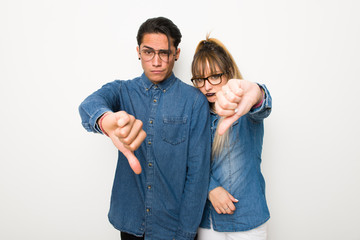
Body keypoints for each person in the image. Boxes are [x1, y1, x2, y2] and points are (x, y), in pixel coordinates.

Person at [78, 17, 211, 240]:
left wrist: (186, 233)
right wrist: (106, 120)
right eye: (149, 52)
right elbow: (88, 106)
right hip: (130, 222)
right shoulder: (122, 91)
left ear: (176, 54)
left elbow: (197, 175)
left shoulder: (195, 101)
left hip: (173, 227)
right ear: (138, 51)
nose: (156, 62)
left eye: (164, 53)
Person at [190, 36, 272, 240]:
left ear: (229, 74)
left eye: (214, 76)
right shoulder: (195, 115)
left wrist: (257, 92)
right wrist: (210, 188)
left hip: (247, 220)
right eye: (200, 79)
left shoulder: (245, 109)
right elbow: (188, 161)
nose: (207, 86)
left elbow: (261, 105)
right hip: (208, 221)